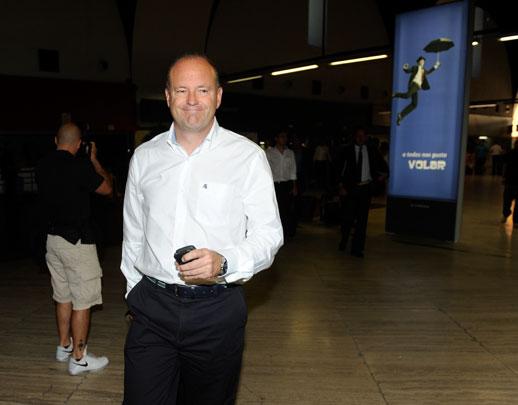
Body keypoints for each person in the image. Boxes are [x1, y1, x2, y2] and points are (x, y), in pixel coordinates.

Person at [121, 54, 283, 405]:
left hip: (217, 310)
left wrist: (225, 262)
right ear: (167, 96)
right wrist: (134, 292)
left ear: (219, 96)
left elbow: (269, 234)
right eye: (181, 90)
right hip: (152, 309)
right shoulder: (145, 158)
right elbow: (133, 233)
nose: (192, 100)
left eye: (202, 90)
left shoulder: (247, 157)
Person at [36, 123, 112, 375]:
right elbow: (107, 188)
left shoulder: (43, 166)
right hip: (77, 243)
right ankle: (79, 358)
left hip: (53, 240)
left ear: (55, 139)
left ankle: (64, 346)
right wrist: (94, 160)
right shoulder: (80, 166)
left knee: (63, 295)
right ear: (79, 144)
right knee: (83, 300)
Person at [338, 127, 389, 257]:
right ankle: (344, 239)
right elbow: (337, 169)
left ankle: (357, 248)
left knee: (362, 220)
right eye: (358, 135)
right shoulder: (347, 150)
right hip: (350, 189)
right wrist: (341, 186)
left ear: (366, 137)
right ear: (355, 137)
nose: (360, 138)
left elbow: (384, 168)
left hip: (365, 188)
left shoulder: (371, 150)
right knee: (348, 218)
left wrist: (380, 178)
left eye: (363, 136)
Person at [266, 131, 298, 238]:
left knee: (287, 210)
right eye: (281, 137)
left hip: (287, 184)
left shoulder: (290, 153)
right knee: (276, 210)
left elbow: (293, 169)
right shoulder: (270, 152)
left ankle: (287, 233)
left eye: (285, 137)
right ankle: (274, 233)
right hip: (275, 185)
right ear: (276, 138)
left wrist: (294, 186)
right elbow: (267, 170)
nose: (284, 139)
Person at [393, 56, 440, 125]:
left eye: (423, 61)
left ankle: (401, 115)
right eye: (421, 61)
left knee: (414, 104)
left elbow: (429, 71)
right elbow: (408, 70)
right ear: (418, 62)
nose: (423, 62)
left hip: (417, 87)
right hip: (413, 84)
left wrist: (436, 65)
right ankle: (395, 94)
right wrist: (405, 68)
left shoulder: (424, 70)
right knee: (407, 96)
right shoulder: (416, 67)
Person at [502, 141, 518, 228]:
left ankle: (506, 213)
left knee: (507, 199)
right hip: (512, 180)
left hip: (510, 180)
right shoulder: (511, 153)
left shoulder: (510, 153)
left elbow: (505, 165)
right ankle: (516, 221)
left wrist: (504, 177)